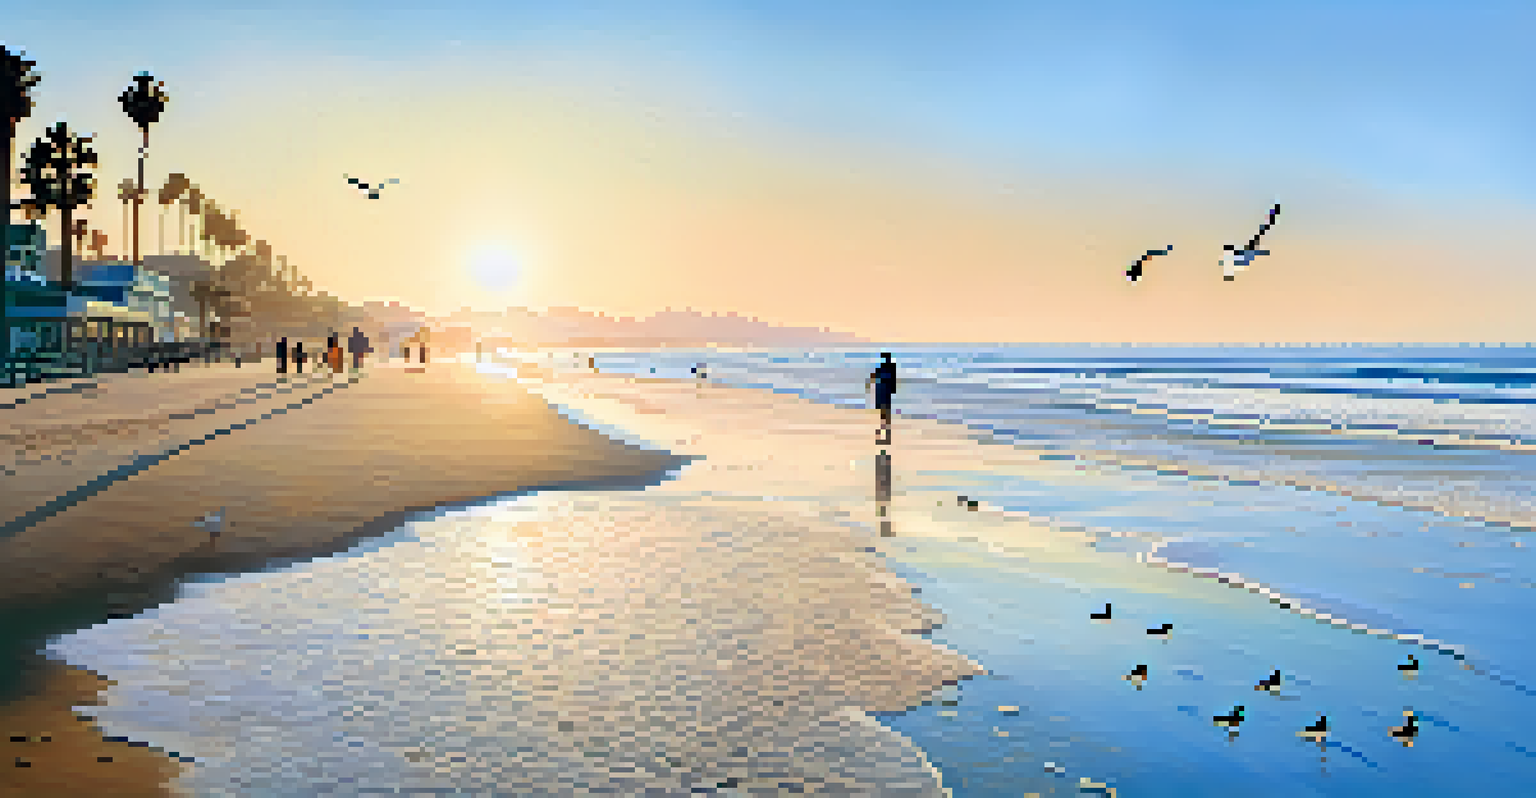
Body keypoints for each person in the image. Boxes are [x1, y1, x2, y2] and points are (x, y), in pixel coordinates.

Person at [866, 352, 898, 445]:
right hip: (882, 389)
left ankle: (885, 429)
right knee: (884, 410)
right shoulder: (886, 367)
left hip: (883, 389)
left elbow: (876, 376)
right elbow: (891, 379)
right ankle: (885, 429)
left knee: (884, 410)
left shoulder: (885, 367)